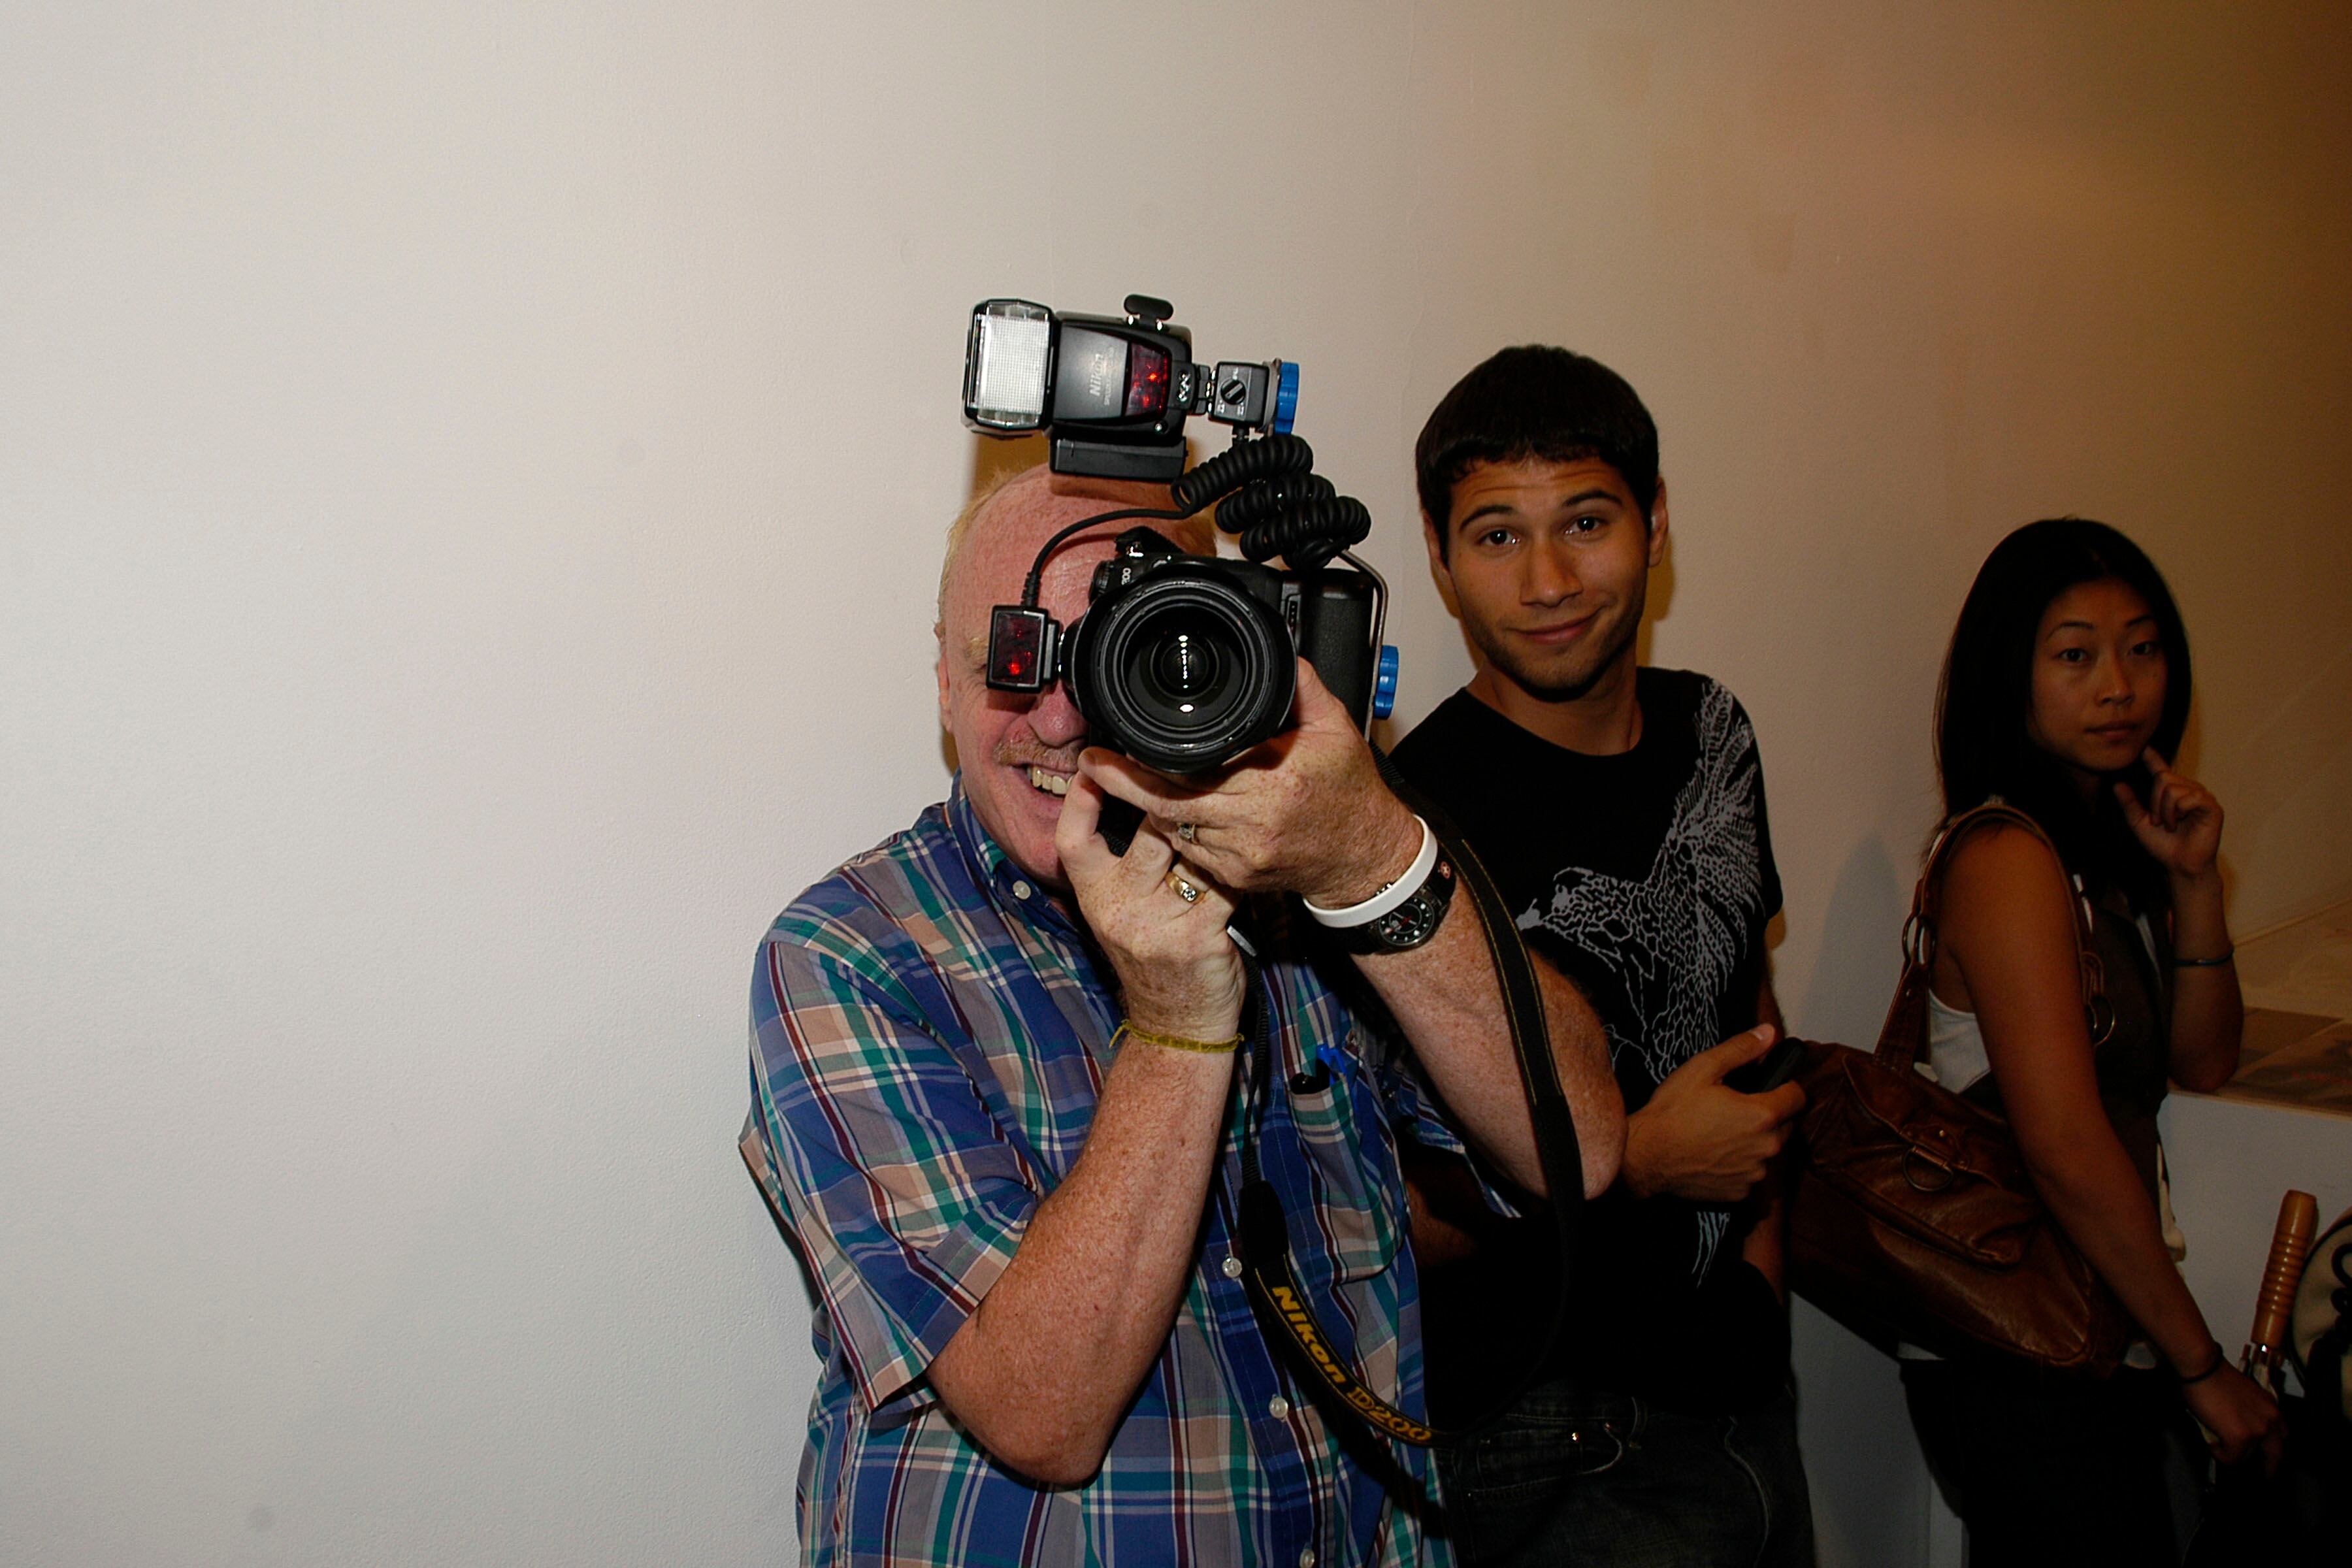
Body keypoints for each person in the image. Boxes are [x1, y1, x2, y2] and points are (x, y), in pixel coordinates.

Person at [741, 463, 1624, 1567]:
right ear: (943, 682)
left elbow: (1577, 1147)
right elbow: (1042, 1412)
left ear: (1222, 649)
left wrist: (1375, 859)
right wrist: (1177, 1024)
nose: (1059, 719)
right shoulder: (853, 954)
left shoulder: (1304, 893)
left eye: (1115, 653)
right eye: (1011, 659)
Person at [1391, 345, 1814, 1567]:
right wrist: (1639, 1168)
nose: (1550, 580)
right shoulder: (1403, 832)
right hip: (1550, 1435)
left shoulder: (1712, 729)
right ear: (1439, 558)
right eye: (1497, 537)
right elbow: (1383, 1206)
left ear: (1656, 522)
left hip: (1745, 1393)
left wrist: (1760, 1294)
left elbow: (1745, 1013)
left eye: (1586, 521)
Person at [1900, 517, 2283, 1564]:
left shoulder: (2097, 853)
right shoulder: (2006, 858)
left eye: (2143, 649)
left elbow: (2202, 1063)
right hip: (2027, 1340)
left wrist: (2194, 885)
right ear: (2009, 676)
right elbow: (2066, 1146)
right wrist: (2202, 1365)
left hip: (2095, 1321)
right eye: (2075, 656)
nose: (2119, 686)